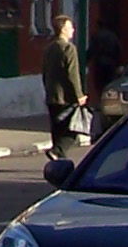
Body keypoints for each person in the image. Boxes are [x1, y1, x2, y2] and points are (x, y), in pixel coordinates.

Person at [42, 17, 86, 158]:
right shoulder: (69, 48)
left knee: (57, 131)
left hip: (52, 96)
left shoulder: (49, 48)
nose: (73, 30)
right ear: (63, 30)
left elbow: (45, 72)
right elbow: (73, 74)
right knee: (72, 132)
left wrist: (48, 90)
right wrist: (79, 95)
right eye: (70, 27)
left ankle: (58, 163)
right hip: (66, 98)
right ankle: (57, 152)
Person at [87, 21, 122, 106]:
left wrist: (86, 60)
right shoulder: (113, 36)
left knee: (100, 84)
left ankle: (101, 101)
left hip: (99, 63)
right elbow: (118, 50)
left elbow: (92, 49)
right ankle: (109, 102)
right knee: (110, 83)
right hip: (111, 63)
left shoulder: (96, 36)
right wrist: (118, 63)